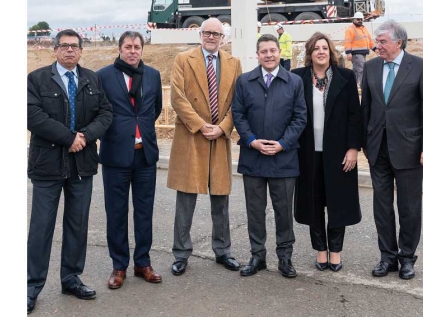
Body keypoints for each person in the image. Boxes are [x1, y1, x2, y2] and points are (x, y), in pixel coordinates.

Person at [27, 30, 112, 314]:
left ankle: (71, 278)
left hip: (81, 164)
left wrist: (85, 136)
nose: (69, 51)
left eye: (74, 46)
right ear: (54, 50)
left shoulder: (92, 78)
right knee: (41, 228)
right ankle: (31, 285)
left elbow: (105, 113)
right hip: (47, 164)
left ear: (81, 50)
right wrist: (69, 137)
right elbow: (33, 116)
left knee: (77, 224)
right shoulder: (37, 79)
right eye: (64, 46)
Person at [361, 20, 423, 280]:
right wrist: (365, 143)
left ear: (399, 42)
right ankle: (387, 257)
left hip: (410, 150)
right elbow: (367, 109)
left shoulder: (420, 68)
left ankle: (407, 258)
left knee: (409, 207)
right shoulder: (371, 67)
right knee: (382, 207)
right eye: (377, 41)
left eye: (382, 42)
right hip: (378, 150)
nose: (377, 46)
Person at [167, 17, 244, 275]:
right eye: (207, 32)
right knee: (186, 199)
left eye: (216, 34)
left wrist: (223, 128)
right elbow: (177, 97)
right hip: (192, 136)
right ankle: (180, 253)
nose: (211, 37)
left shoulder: (234, 64)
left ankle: (223, 251)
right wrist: (201, 125)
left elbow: (239, 102)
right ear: (200, 34)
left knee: (220, 200)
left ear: (223, 38)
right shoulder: (183, 60)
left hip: (219, 138)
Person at [232, 34, 307, 278]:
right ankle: (257, 256)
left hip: (283, 159)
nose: (269, 55)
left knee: (283, 211)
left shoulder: (294, 82)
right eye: (264, 51)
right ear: (258, 55)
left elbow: (300, 117)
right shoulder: (244, 81)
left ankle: (285, 258)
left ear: (279, 52)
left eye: (272, 50)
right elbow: (238, 114)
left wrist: (283, 144)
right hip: (253, 158)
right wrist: (252, 141)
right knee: (255, 210)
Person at [96, 31, 164, 290]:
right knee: (116, 213)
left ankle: (143, 263)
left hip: (144, 154)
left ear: (142, 50)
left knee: (144, 211)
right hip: (115, 155)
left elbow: (154, 109)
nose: (133, 51)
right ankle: (119, 266)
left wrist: (139, 129)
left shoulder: (153, 75)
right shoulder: (103, 76)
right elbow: (99, 110)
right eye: (128, 47)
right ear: (120, 49)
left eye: (137, 47)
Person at [292, 33, 363, 272]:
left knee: (337, 204)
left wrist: (353, 149)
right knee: (314, 204)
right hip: (308, 153)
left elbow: (355, 115)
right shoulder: (297, 77)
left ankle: (336, 252)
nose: (321, 52)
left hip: (339, 154)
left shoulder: (346, 76)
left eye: (325, 48)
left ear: (331, 52)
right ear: (309, 53)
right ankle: (321, 251)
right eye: (316, 48)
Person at [343, 12, 374, 88]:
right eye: (358, 19)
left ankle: (354, 86)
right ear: (354, 19)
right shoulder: (351, 29)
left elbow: (369, 40)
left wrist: (375, 48)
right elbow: (347, 41)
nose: (360, 21)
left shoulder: (363, 29)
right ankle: (362, 86)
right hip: (356, 54)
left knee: (356, 71)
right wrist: (348, 52)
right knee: (362, 70)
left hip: (363, 53)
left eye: (361, 19)